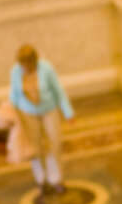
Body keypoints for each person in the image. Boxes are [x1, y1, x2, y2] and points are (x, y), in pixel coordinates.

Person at [9, 45, 74, 194]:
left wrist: (67, 112)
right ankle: (41, 179)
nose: (25, 67)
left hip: (49, 110)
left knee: (54, 142)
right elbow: (14, 93)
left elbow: (58, 90)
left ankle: (56, 178)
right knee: (35, 146)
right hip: (27, 112)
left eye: (27, 64)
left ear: (34, 61)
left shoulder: (46, 68)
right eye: (22, 64)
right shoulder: (15, 71)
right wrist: (11, 113)